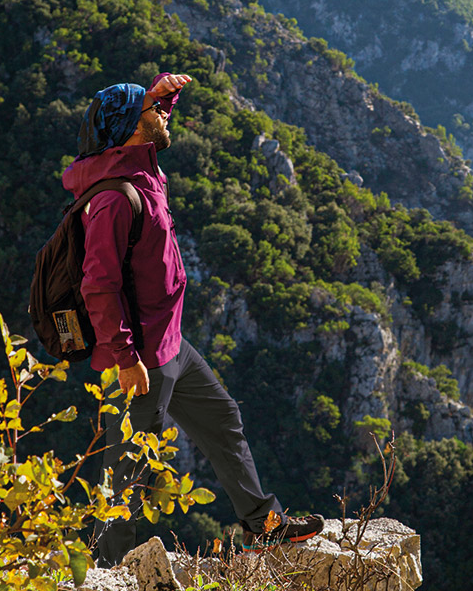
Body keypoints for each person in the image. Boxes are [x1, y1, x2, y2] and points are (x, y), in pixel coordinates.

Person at [63, 70, 324, 565]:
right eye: (155, 110)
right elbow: (98, 286)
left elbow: (151, 125)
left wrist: (162, 91)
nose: (165, 114)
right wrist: (124, 357)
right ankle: (108, 586)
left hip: (171, 345)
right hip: (142, 358)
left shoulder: (140, 168)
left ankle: (264, 525)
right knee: (129, 473)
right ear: (129, 129)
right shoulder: (115, 198)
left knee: (223, 420)